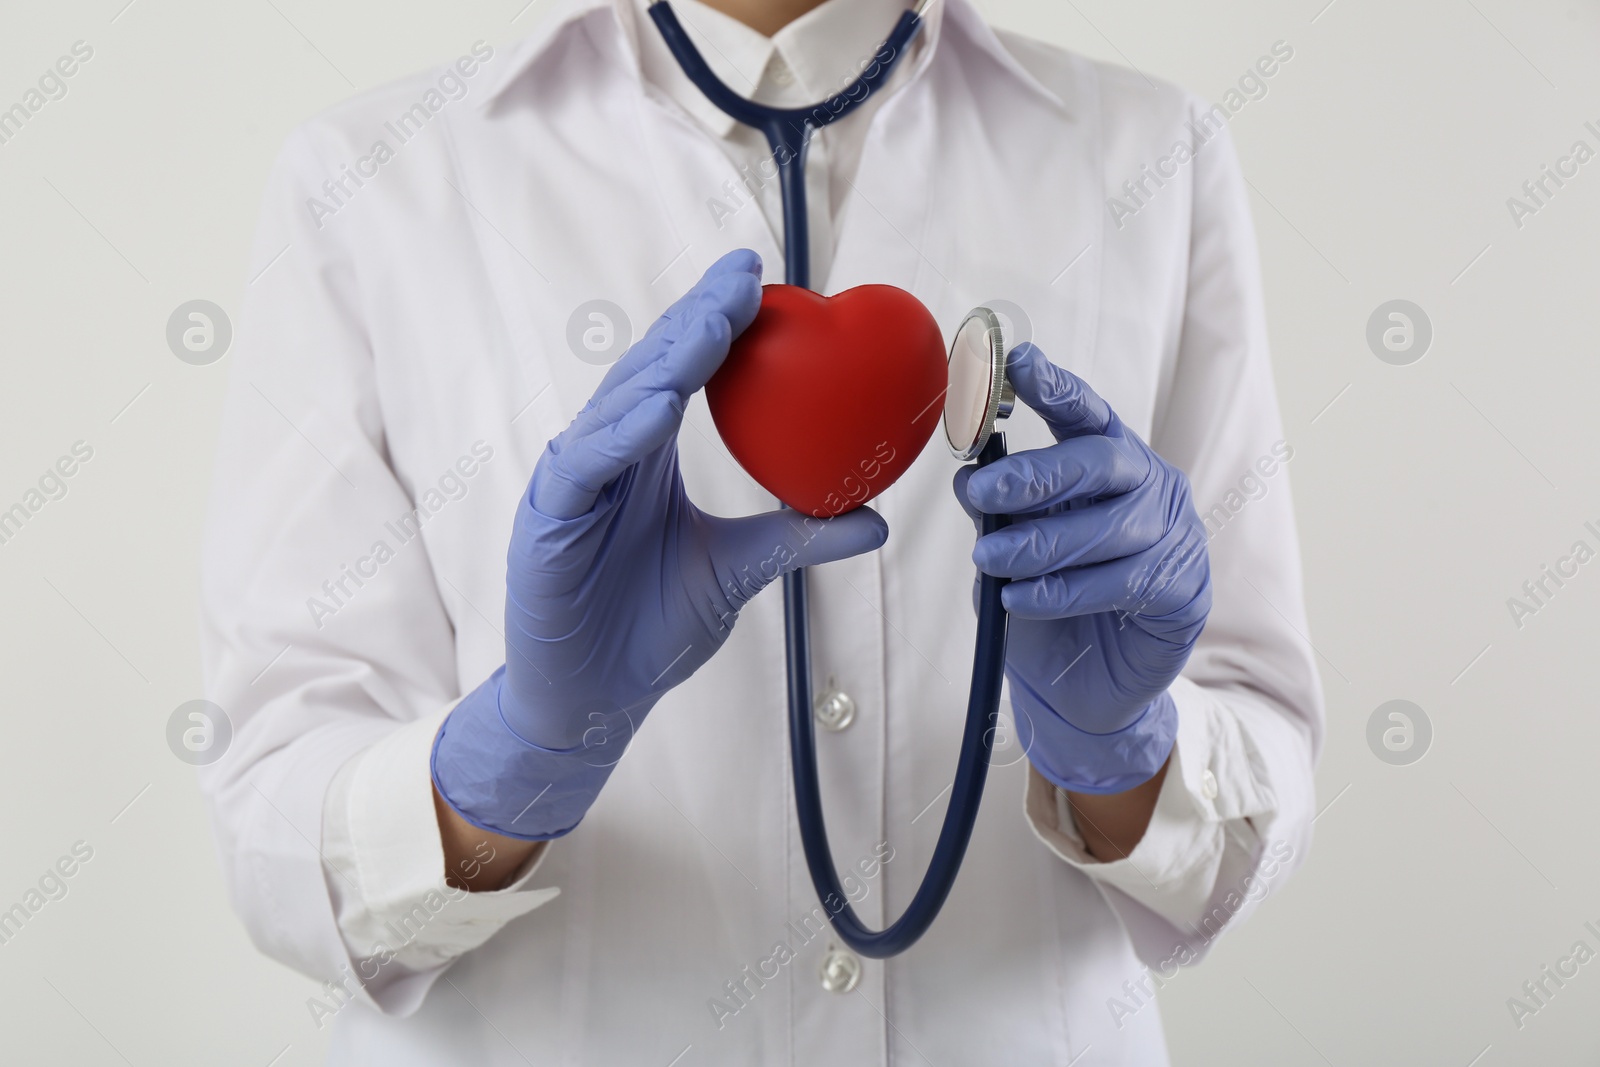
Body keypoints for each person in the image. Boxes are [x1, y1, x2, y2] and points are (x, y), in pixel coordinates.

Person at [198, 0, 1322, 1062]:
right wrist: (514, 762)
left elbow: (1247, 820)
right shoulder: (376, 180)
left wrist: (1123, 751)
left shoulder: (1152, 156)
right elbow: (273, 841)